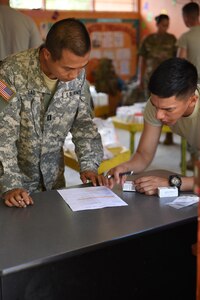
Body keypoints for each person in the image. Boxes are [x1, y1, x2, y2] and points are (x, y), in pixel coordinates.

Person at [0, 18, 105, 208]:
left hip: (53, 183)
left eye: (82, 66)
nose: (75, 75)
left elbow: (84, 125)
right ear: (47, 54)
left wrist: (89, 165)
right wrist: (11, 185)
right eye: (68, 68)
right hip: (12, 187)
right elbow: (3, 136)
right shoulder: (10, 74)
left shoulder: (77, 75)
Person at [106, 58, 199, 195]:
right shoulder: (157, 105)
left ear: (192, 100)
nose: (158, 116)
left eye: (168, 109)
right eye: (156, 106)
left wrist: (171, 183)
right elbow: (144, 155)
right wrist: (125, 166)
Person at [137, 14, 177, 145]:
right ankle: (152, 136)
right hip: (150, 78)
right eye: (163, 24)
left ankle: (169, 136)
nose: (166, 27)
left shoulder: (172, 39)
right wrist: (139, 78)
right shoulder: (148, 39)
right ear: (157, 24)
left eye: (167, 25)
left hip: (168, 79)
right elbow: (142, 59)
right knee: (151, 107)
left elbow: (177, 59)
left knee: (168, 108)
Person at [177, 2, 200, 170]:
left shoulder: (186, 36)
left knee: (192, 124)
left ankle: (194, 159)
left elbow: (180, 62)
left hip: (193, 87)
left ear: (186, 18)